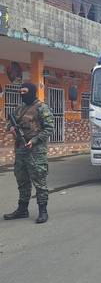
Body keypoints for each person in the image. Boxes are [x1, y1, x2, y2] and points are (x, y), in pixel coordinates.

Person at [4, 83, 54, 224]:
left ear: (32, 92)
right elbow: (9, 124)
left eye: (25, 91)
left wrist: (34, 140)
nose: (22, 94)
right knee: (22, 181)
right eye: (20, 92)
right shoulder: (19, 109)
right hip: (20, 150)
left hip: (36, 152)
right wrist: (12, 128)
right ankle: (22, 209)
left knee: (40, 181)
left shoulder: (42, 108)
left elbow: (49, 128)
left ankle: (43, 211)